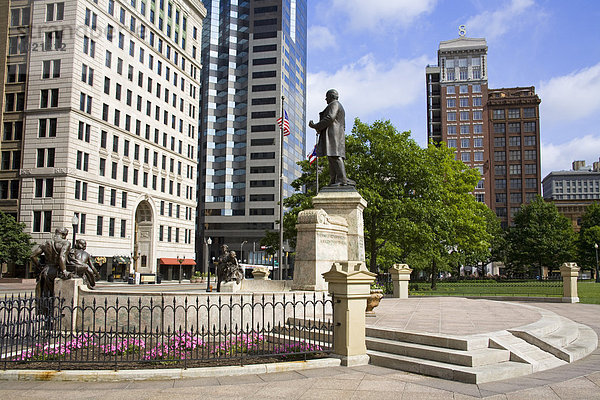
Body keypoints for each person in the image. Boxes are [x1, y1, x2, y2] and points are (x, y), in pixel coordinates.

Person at [309, 89, 355, 186]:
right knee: (331, 157)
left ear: (331, 96)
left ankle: (342, 179)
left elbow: (330, 118)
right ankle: (334, 179)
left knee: (335, 156)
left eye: (327, 97)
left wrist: (316, 126)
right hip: (336, 135)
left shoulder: (334, 104)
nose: (326, 99)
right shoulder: (338, 106)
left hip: (334, 135)